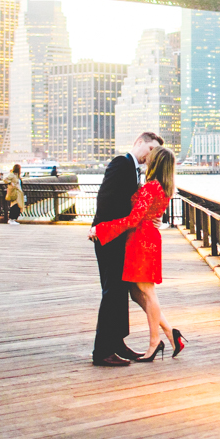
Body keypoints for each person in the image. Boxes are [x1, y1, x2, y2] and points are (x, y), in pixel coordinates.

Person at [93, 147, 184, 362]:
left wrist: (101, 229)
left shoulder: (151, 188)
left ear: (156, 163)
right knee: (135, 293)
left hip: (141, 242)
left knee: (146, 291)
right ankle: (171, 334)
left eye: (150, 159)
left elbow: (133, 220)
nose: (146, 161)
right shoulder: (163, 187)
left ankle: (154, 343)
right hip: (145, 239)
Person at [88, 131, 162, 367]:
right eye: (150, 150)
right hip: (110, 238)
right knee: (112, 293)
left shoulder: (132, 168)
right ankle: (102, 351)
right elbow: (105, 200)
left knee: (120, 293)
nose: (150, 156)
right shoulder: (121, 163)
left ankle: (117, 344)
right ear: (139, 142)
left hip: (118, 238)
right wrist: (99, 229)